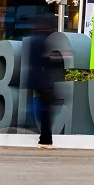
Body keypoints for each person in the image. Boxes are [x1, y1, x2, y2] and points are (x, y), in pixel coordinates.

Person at [24, 17, 57, 150]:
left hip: (35, 80)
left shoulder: (33, 40)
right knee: (47, 110)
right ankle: (45, 140)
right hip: (43, 80)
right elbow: (44, 61)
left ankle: (45, 139)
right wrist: (56, 60)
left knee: (44, 109)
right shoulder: (42, 41)